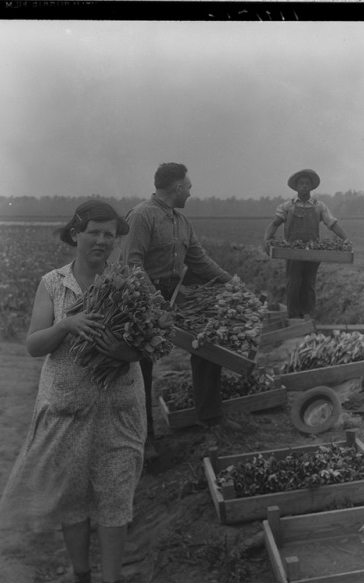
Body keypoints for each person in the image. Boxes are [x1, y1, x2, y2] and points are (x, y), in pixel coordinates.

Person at [0, 200, 150, 583]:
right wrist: (66, 326)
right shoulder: (53, 284)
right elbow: (33, 345)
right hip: (66, 408)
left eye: (109, 234)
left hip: (118, 408)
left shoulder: (128, 283)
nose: (102, 240)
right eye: (94, 232)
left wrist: (116, 349)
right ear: (76, 234)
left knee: (116, 497)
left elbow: (145, 348)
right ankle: (81, 581)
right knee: (72, 499)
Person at [121, 162, 242, 454]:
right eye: (188, 187)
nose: (190, 192)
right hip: (142, 298)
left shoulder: (182, 221)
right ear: (177, 187)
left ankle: (210, 419)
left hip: (175, 294)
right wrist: (154, 301)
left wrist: (233, 283)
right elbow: (131, 265)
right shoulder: (141, 216)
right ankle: (144, 438)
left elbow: (199, 261)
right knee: (141, 368)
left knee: (207, 343)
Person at [263, 169, 349, 318]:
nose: (304, 186)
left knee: (308, 284)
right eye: (301, 183)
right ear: (296, 187)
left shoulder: (319, 206)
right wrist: (266, 240)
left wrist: (345, 238)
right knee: (294, 283)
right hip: (292, 251)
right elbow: (274, 224)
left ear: (311, 187)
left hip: (313, 251)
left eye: (307, 184)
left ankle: (308, 316)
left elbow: (332, 223)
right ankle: (294, 317)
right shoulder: (287, 206)